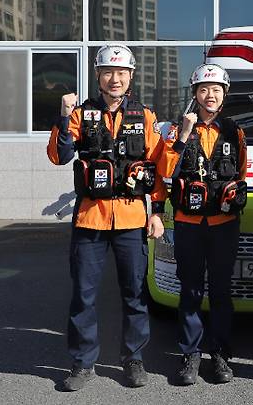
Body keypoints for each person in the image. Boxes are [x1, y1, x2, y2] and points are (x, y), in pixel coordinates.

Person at [47, 44, 166, 391]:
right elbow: (59, 155)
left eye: (122, 73)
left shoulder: (145, 116)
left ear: (131, 77)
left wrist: (156, 211)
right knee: (83, 295)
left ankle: (134, 359)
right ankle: (83, 363)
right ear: (98, 76)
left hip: (130, 219)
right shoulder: (81, 114)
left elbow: (158, 167)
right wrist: (62, 115)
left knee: (135, 293)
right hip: (89, 219)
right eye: (108, 72)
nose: (115, 79)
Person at [158, 63, 247, 386]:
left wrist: (235, 197)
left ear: (223, 96)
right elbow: (166, 171)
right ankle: (190, 353)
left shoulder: (234, 130)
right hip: (188, 223)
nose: (210, 95)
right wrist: (183, 133)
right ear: (195, 94)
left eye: (216, 90)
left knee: (222, 291)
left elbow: (240, 174)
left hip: (223, 223)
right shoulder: (176, 129)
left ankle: (220, 353)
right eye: (204, 90)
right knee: (191, 290)